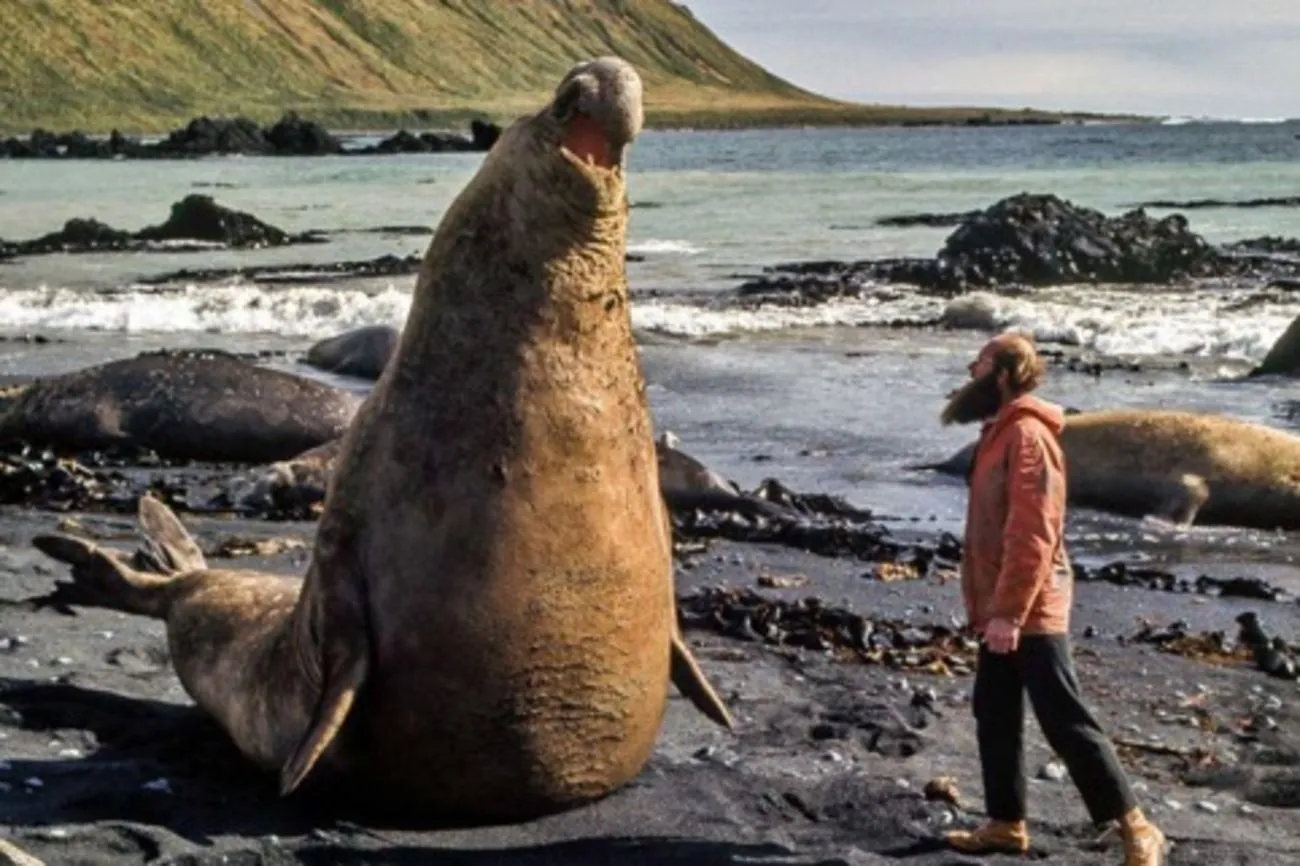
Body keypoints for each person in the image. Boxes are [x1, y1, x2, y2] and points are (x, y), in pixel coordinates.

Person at [939, 332, 1168, 866]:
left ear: (1002, 374)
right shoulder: (1000, 433)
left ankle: (1138, 827)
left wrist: (1009, 613)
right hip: (1002, 602)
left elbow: (1034, 533)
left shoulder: (1027, 437)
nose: (970, 370)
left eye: (980, 363)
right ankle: (1005, 823)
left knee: (1065, 718)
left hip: (1029, 606)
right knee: (993, 711)